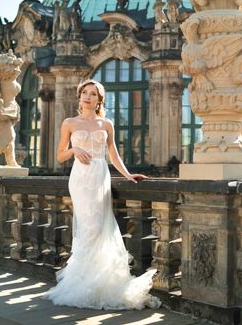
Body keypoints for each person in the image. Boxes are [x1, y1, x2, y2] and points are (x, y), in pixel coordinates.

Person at [45, 79, 161, 310]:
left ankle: (101, 283)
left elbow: (113, 155)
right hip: (80, 178)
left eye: (93, 94)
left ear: (99, 100)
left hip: (100, 176)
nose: (88, 97)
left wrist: (128, 175)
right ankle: (84, 283)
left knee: (99, 227)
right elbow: (59, 156)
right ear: (79, 97)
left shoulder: (106, 124)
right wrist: (74, 150)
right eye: (85, 93)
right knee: (88, 227)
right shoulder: (69, 123)